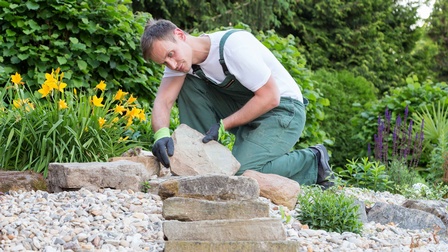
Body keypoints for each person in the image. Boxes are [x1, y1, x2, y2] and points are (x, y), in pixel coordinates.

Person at [140, 19, 334, 189]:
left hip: (283, 110)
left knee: (242, 173)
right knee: (187, 82)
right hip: (249, 108)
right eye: (165, 63)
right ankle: (201, 162)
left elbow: (270, 97)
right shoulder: (183, 63)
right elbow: (163, 101)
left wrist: (223, 125)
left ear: (180, 35)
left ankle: (312, 161)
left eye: (171, 54)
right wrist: (161, 135)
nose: (172, 65)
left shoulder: (232, 46)